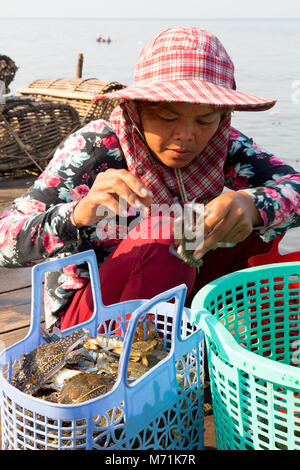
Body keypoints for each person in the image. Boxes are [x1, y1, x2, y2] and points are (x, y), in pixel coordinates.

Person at [0, 27, 299, 331]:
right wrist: (79, 213)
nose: (186, 136)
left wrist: (250, 205)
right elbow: (4, 240)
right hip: (88, 319)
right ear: (137, 109)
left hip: (176, 289)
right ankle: (138, 360)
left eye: (204, 119)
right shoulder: (94, 149)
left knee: (254, 216)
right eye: (168, 117)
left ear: (223, 117)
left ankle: (216, 334)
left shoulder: (223, 145)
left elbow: (293, 187)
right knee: (169, 229)